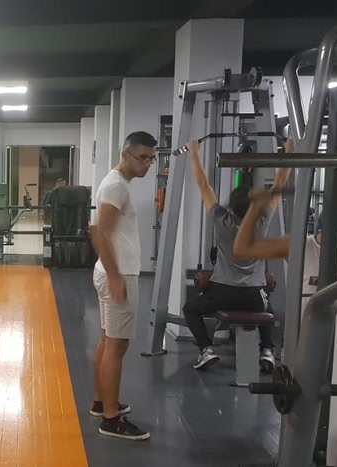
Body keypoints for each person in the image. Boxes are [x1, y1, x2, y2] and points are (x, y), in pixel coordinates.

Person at [183, 138, 292, 372]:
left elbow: (203, 184)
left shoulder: (221, 219)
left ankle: (206, 349)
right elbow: (280, 183)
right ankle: (267, 351)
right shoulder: (262, 220)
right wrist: (289, 152)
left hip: (223, 293)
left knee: (190, 308)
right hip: (254, 294)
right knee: (267, 308)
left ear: (231, 207)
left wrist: (194, 152)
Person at [89, 131, 156, 441]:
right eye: (142, 158)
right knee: (117, 347)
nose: (147, 164)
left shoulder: (117, 183)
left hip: (111, 272)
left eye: (151, 159)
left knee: (108, 341)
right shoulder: (116, 185)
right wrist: (116, 276)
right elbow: (99, 233)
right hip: (118, 274)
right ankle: (111, 419)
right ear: (125, 154)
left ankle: (101, 402)